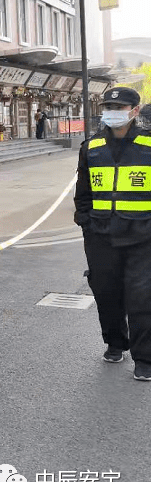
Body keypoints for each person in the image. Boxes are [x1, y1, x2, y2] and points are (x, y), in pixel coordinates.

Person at [74, 87, 151, 381]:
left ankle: (144, 359)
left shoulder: (148, 144)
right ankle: (115, 342)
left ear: (134, 110)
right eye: (108, 105)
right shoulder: (91, 147)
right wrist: (86, 221)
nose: (112, 111)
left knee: (142, 298)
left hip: (143, 234)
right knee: (105, 292)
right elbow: (83, 192)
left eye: (119, 106)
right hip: (101, 234)